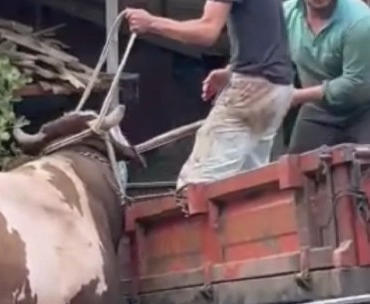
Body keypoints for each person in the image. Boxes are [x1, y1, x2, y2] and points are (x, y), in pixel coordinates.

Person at [124, 0, 295, 192]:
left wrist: (151, 23)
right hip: (277, 88)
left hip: (252, 90)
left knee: (196, 185)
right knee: (251, 185)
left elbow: (207, 31)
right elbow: (266, 37)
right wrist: (231, 71)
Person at [283, 0, 370, 153]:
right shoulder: (286, 14)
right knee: (295, 167)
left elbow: (356, 84)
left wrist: (296, 96)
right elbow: (268, 57)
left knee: (363, 166)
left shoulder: (360, 20)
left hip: (364, 107)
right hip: (319, 107)